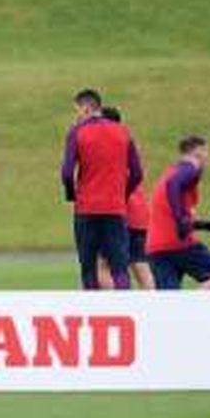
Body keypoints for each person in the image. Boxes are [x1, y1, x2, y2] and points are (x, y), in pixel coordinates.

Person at [61, 89, 143, 290]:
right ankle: (126, 310)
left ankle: (93, 310)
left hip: (86, 209)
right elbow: (137, 173)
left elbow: (66, 172)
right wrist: (122, 195)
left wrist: (72, 194)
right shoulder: (122, 131)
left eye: (78, 110)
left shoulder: (77, 132)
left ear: (87, 108)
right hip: (115, 209)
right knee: (119, 266)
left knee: (88, 267)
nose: (77, 115)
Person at [146, 135, 210, 290]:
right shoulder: (190, 168)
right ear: (197, 151)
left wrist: (206, 225)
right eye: (206, 152)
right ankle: (191, 308)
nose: (207, 157)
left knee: (170, 301)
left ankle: (184, 309)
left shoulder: (171, 173)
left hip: (156, 247)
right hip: (179, 243)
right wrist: (180, 221)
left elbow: (176, 213)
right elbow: (174, 184)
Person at [96, 106, 155, 290]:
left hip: (119, 215)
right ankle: (154, 310)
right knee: (141, 267)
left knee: (103, 267)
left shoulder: (105, 147)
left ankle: (122, 305)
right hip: (140, 215)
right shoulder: (127, 142)